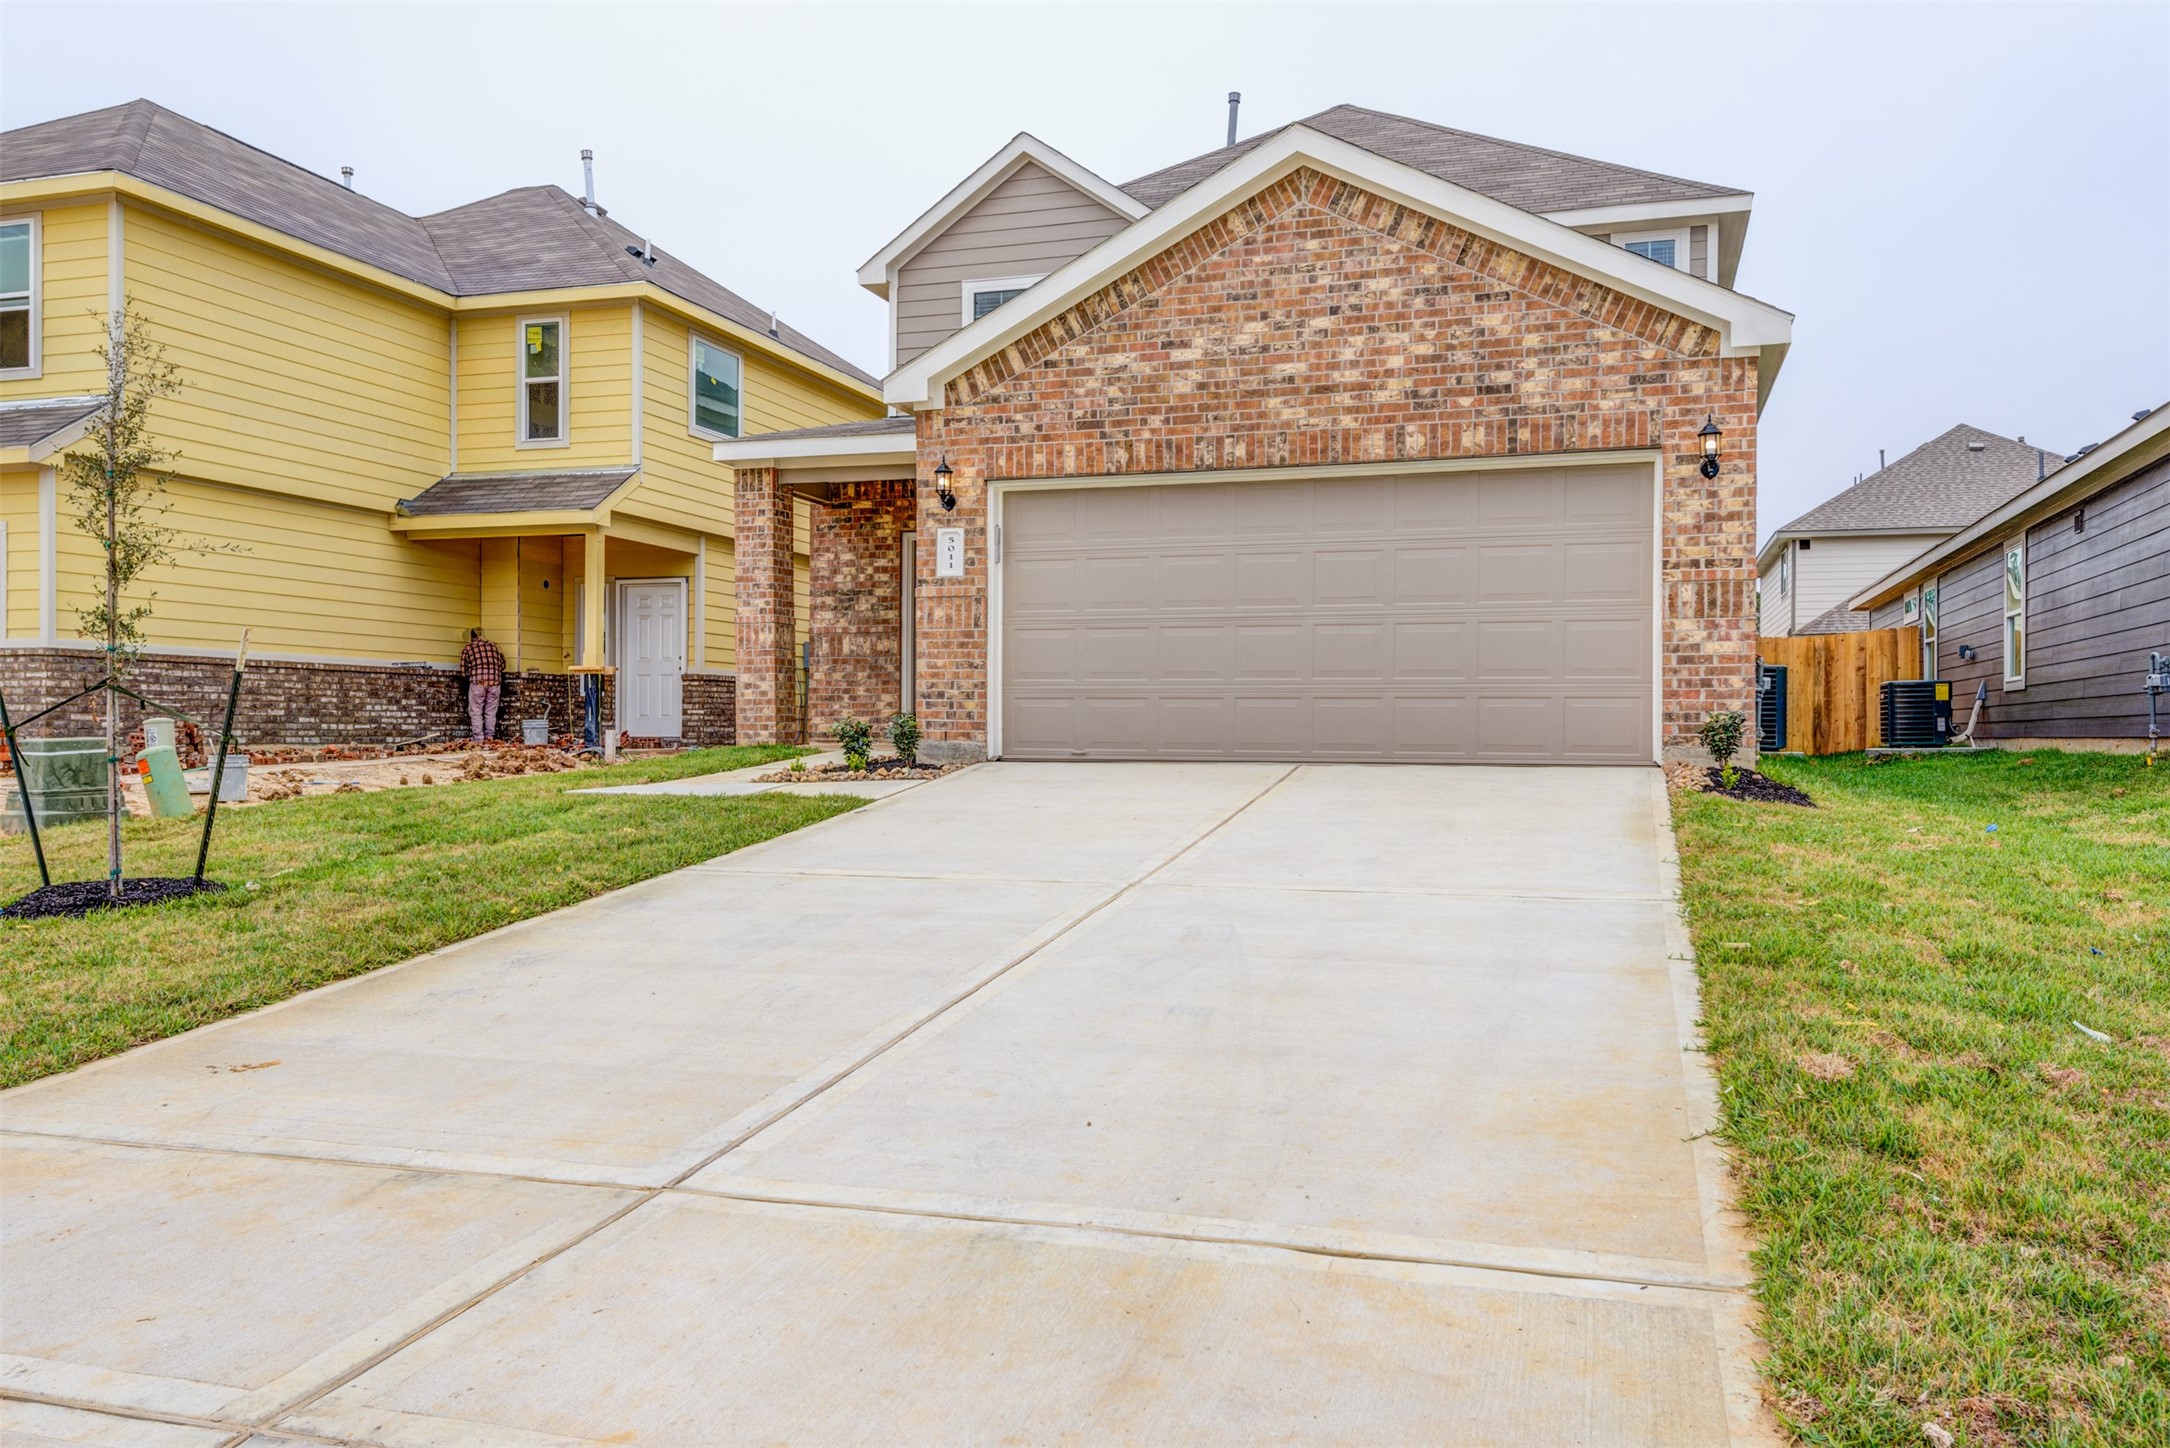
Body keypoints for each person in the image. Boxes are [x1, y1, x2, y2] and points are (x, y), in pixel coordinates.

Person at [461, 627, 506, 742]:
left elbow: (463, 670)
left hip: (478, 682)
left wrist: (471, 674)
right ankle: (490, 737)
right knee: (490, 711)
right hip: (495, 682)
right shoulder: (495, 646)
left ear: (471, 637)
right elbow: (502, 665)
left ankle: (478, 739)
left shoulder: (469, 647)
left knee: (476, 711)